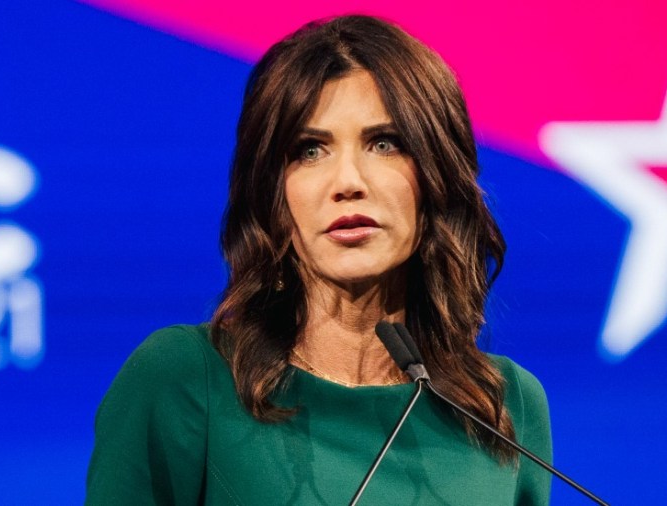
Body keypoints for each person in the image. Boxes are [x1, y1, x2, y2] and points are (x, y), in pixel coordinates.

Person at [86, 15, 551, 505]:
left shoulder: (505, 404)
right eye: (309, 150)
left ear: (437, 177)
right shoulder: (185, 380)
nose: (347, 181)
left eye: (384, 144)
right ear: (273, 195)